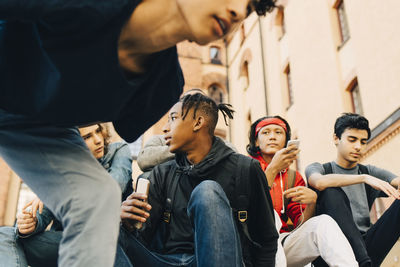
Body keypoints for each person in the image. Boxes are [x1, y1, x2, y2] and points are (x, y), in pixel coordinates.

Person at [0, 1, 277, 265]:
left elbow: (125, 133)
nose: (239, 10)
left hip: (37, 123)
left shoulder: (166, 85)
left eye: (250, 8)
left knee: (100, 197)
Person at [118, 93, 278, 267]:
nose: (165, 127)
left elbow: (266, 240)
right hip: (166, 261)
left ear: (198, 123)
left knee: (207, 191)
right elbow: (142, 240)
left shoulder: (245, 168)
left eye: (173, 118)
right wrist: (127, 225)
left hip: (226, 260)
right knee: (110, 229)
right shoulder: (162, 173)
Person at [0, 124, 132, 267]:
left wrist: (56, 188)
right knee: (5, 234)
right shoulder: (64, 168)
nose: (98, 140)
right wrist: (31, 223)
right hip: (66, 239)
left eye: (98, 131)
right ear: (73, 144)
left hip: (108, 237)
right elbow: (44, 213)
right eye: (87, 137)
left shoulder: (118, 150)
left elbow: (115, 186)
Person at [247, 115, 358, 267]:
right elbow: (248, 207)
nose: (272, 137)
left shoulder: (293, 177)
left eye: (278, 132)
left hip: (283, 244)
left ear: (287, 140)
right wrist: (272, 169)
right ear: (256, 141)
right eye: (265, 133)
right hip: (251, 245)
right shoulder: (244, 167)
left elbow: (301, 225)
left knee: (323, 223)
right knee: (271, 216)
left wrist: (312, 203)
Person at [305, 113, 400, 267]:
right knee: (330, 190)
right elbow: (319, 182)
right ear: (336, 139)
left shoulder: (369, 171)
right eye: (352, 140)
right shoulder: (319, 168)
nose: (358, 147)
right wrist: (363, 178)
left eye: (363, 142)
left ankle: (363, 262)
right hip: (331, 247)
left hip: (367, 245)